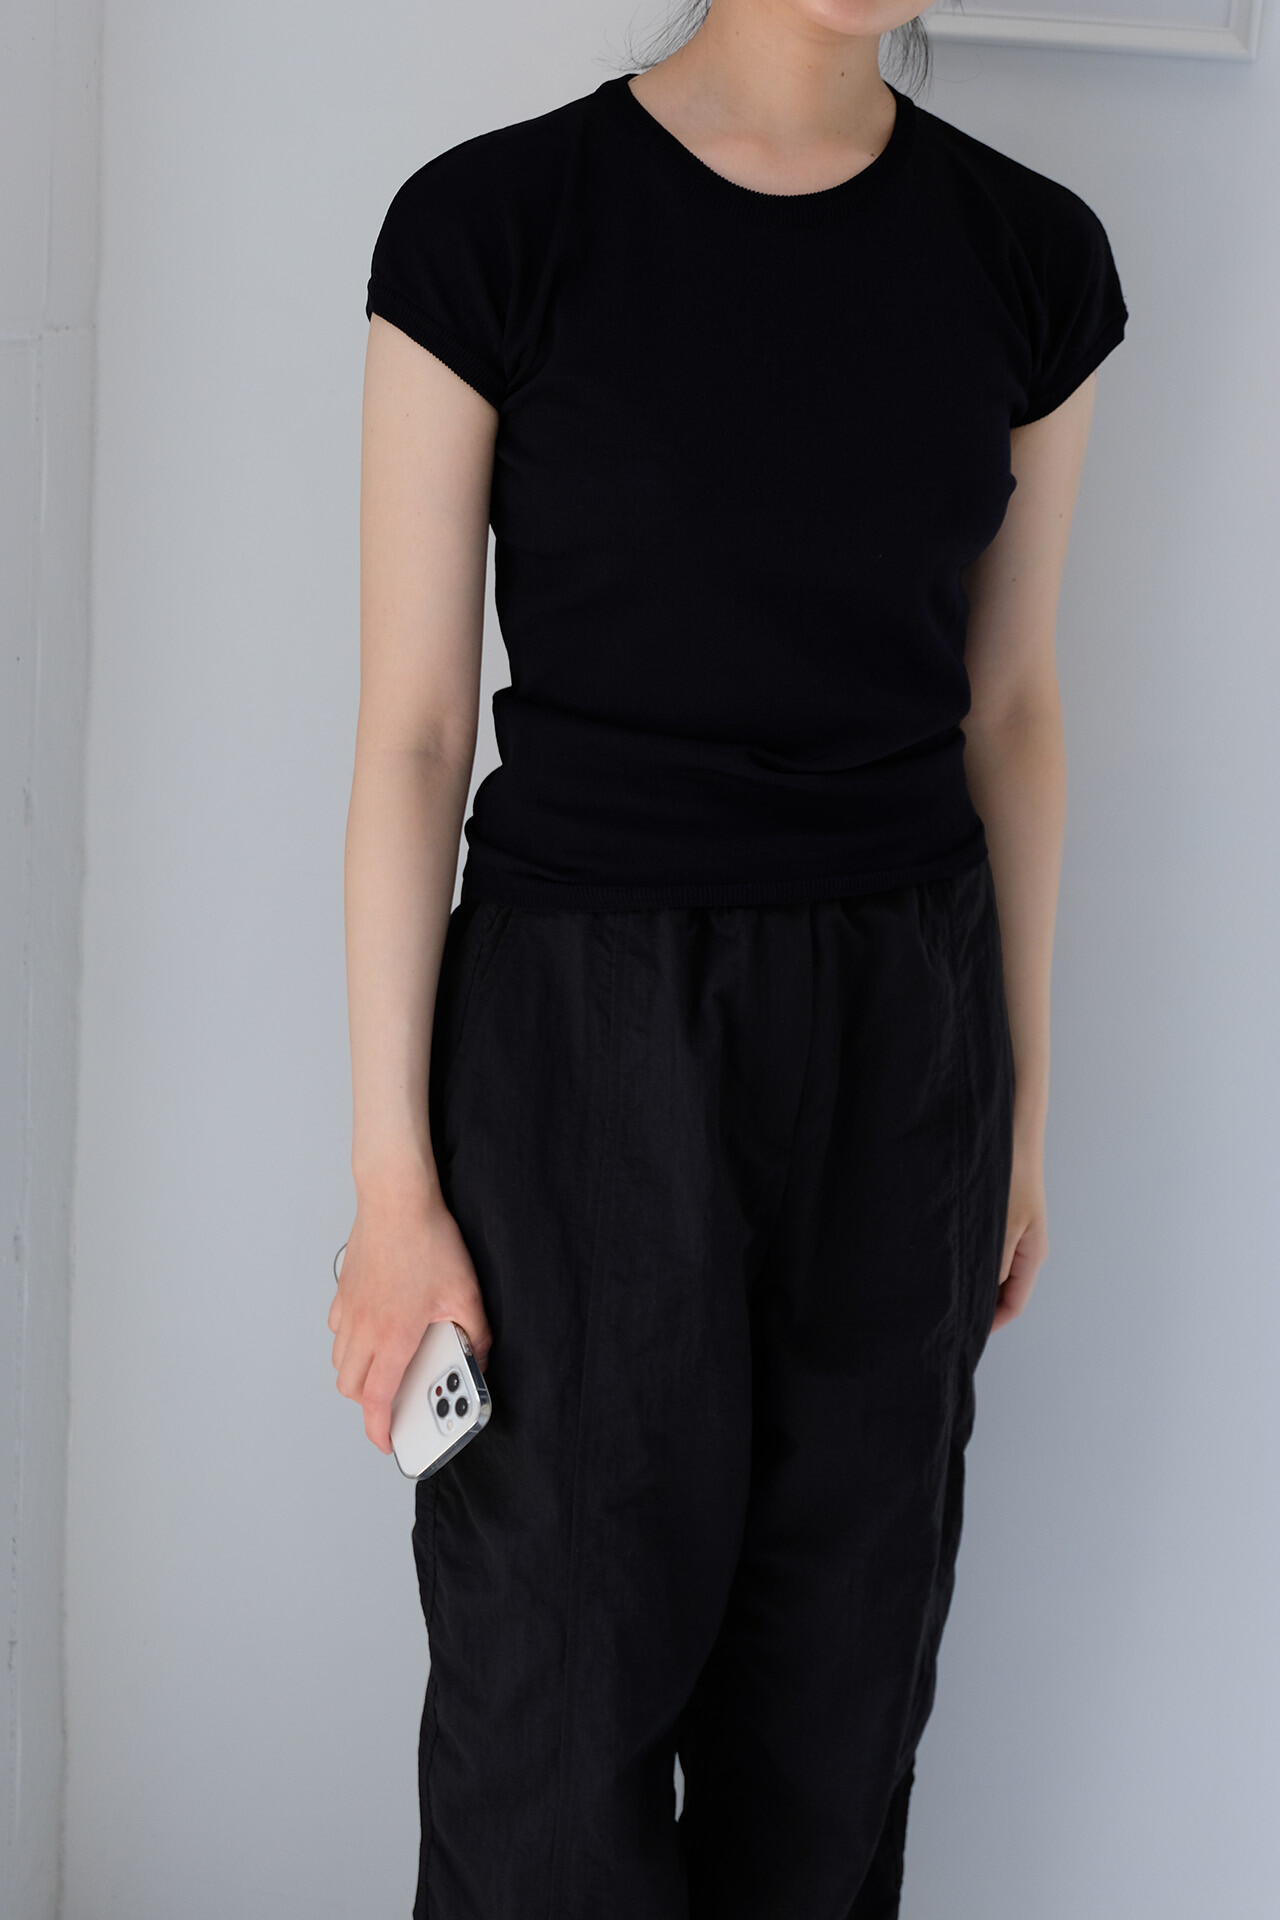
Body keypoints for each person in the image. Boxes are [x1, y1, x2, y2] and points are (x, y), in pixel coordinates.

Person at [329, 2, 1128, 1914]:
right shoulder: (493, 227)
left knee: (833, 1734)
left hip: (907, 1048)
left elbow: (1012, 711)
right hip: (577, 1046)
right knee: (548, 1733)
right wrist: (392, 1187)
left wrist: (1019, 1120)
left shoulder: (1032, 258)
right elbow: (415, 735)